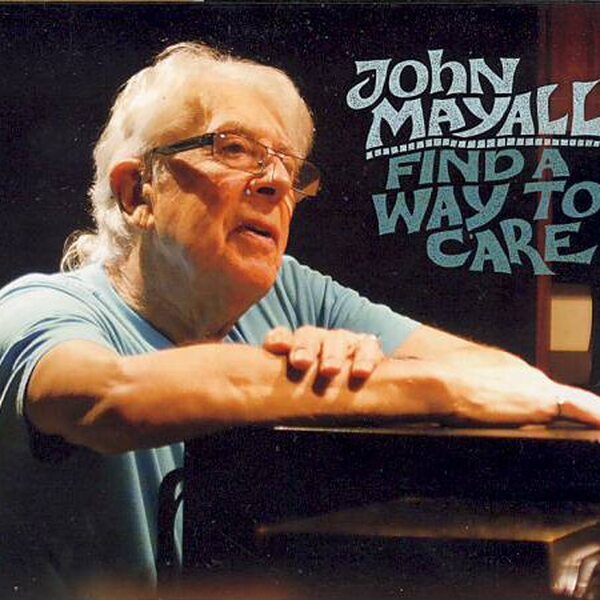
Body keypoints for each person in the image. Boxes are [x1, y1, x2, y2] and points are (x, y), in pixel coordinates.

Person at [0, 41, 599, 600]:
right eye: (233, 149)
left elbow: (496, 377)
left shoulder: (290, 292)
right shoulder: (37, 308)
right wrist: (399, 388)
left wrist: (376, 381)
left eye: (288, 165)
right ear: (138, 191)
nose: (277, 182)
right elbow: (110, 399)